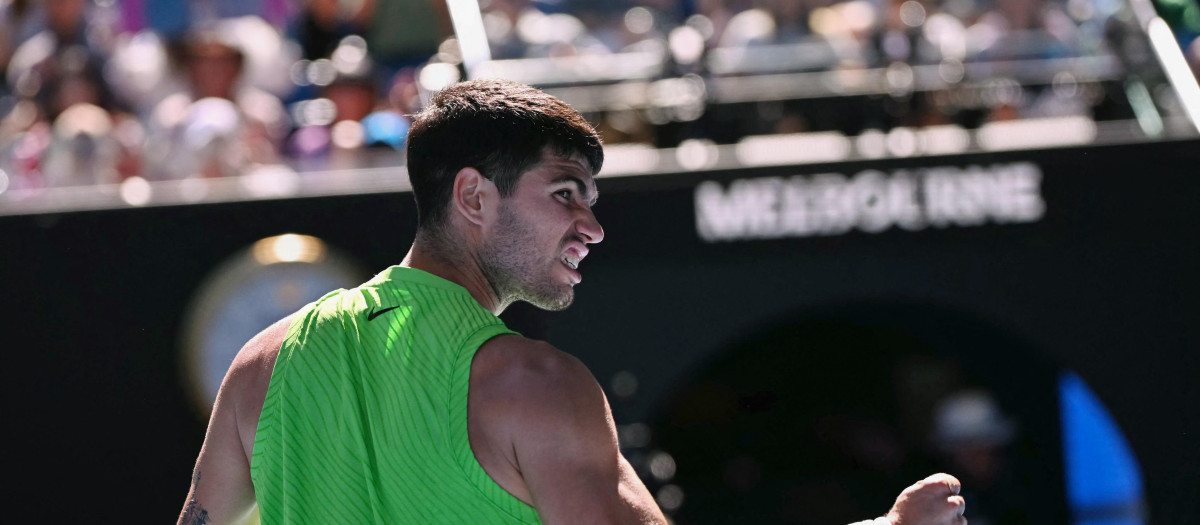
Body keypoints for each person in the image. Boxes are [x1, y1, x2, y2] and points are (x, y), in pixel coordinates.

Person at [177, 78, 968, 524]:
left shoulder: (263, 364)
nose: (591, 225)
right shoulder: (537, 386)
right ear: (473, 196)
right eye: (564, 194)